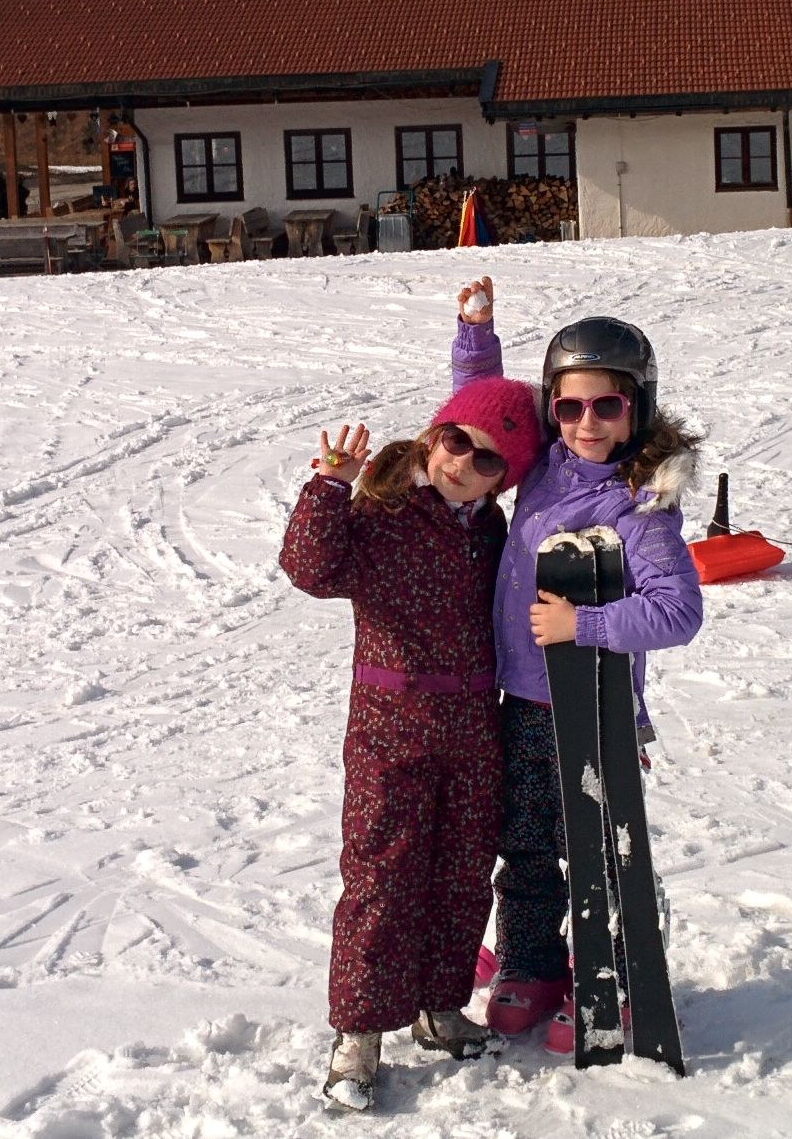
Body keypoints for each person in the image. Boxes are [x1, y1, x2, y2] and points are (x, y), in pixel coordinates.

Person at [450, 275, 704, 1055]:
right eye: (568, 406)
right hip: (521, 701)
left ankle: (620, 969)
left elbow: (677, 611)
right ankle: (530, 961)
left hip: (593, 707)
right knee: (522, 841)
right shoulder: (542, 466)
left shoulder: (641, 502)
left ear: (637, 406)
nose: (585, 422)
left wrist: (583, 622)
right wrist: (475, 331)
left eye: (606, 405)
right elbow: (478, 408)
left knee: (598, 844)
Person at [280, 375, 545, 1112]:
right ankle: (358, 1033)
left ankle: (438, 1005)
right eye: (457, 441)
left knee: (461, 871)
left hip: (472, 726)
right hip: (388, 728)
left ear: (505, 480)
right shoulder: (384, 511)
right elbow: (311, 569)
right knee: (381, 877)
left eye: (489, 459)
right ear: (434, 436)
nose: (464, 462)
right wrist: (328, 488)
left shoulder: (492, 531)